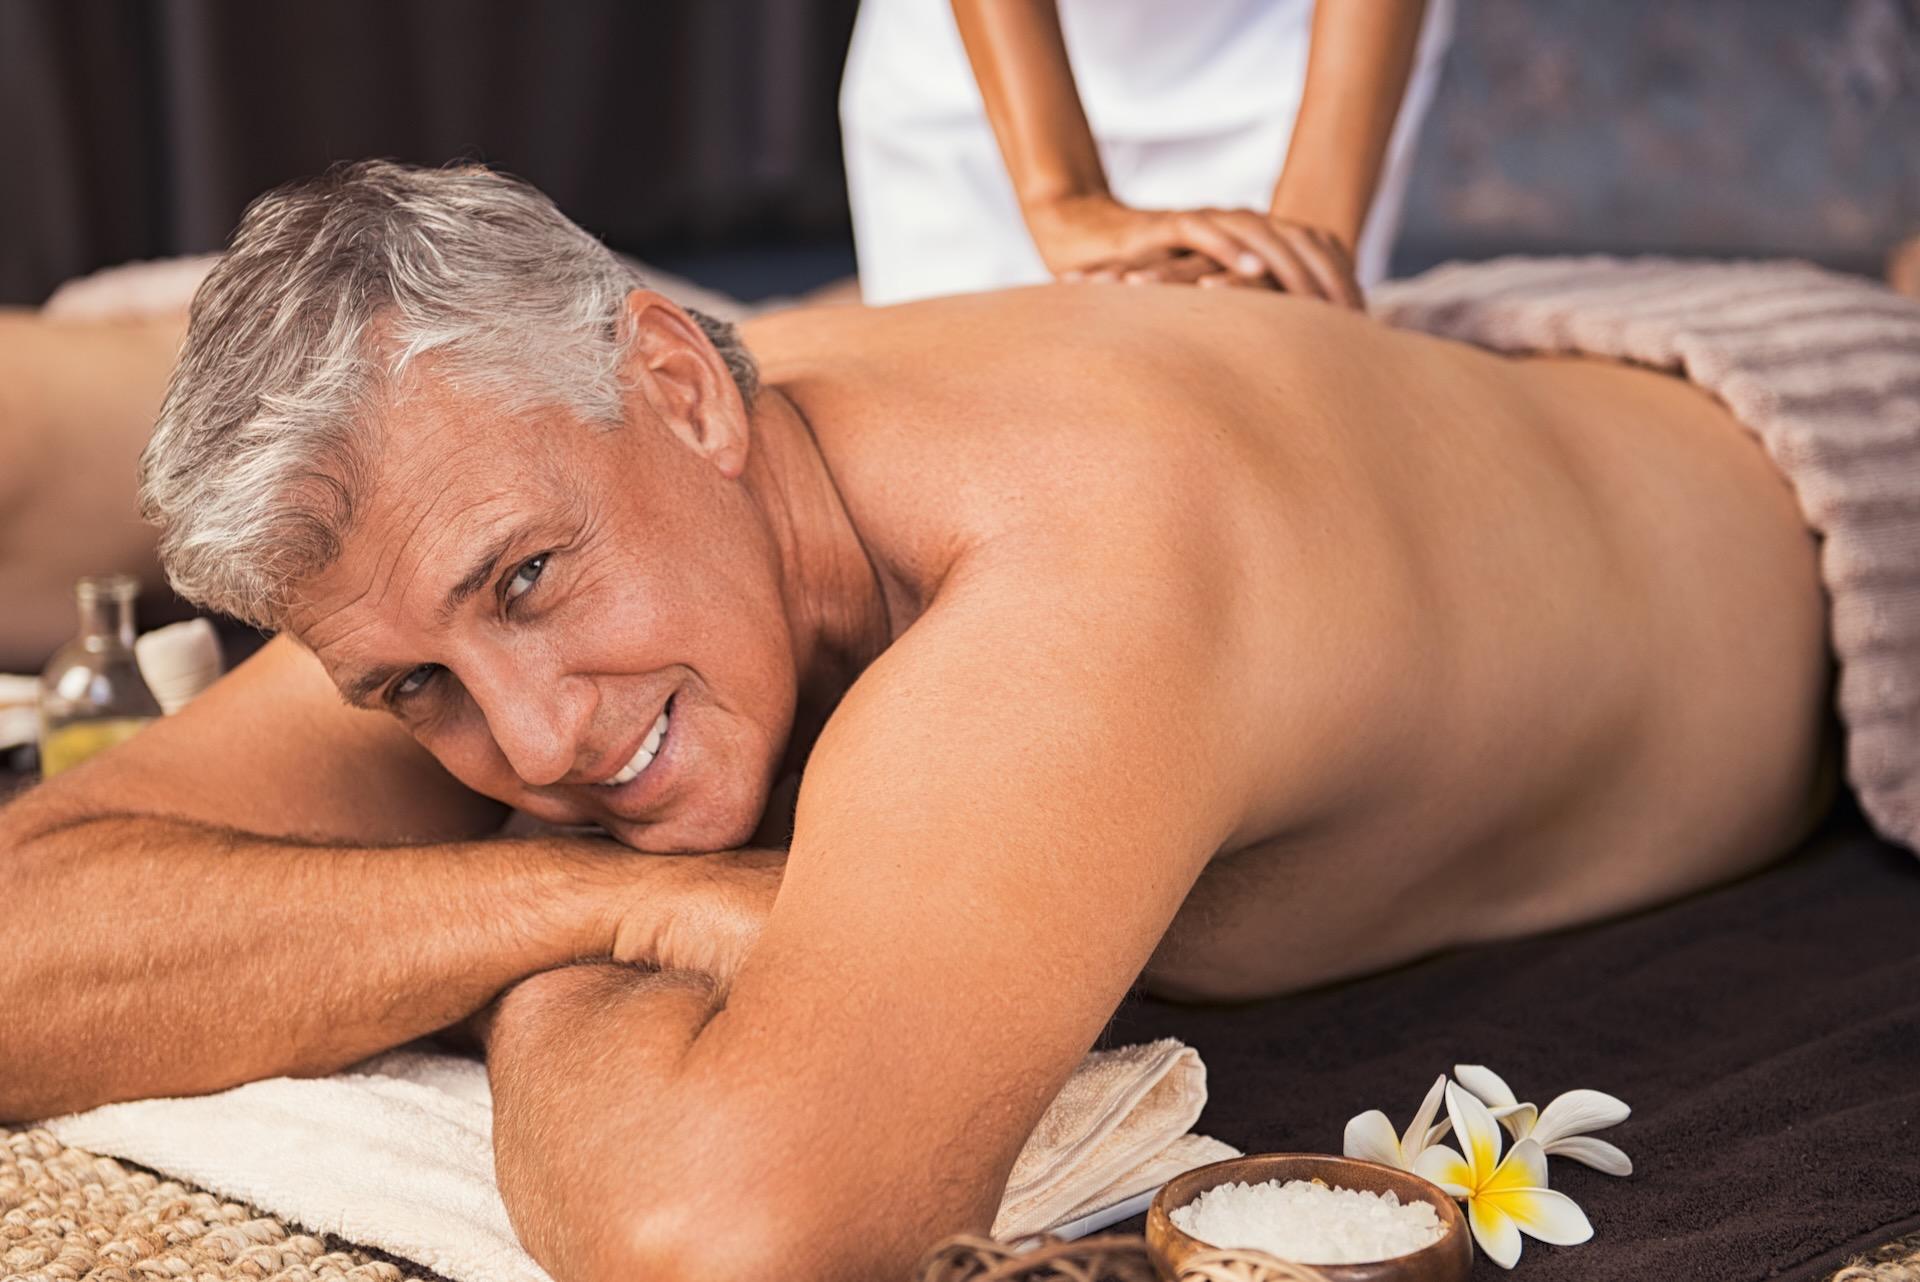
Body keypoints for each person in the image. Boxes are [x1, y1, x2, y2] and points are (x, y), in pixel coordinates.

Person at [0, 163, 1833, 1282]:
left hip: (1822, 478)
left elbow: (731, 1239)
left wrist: (465, 913)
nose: (535, 741)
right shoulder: (498, 526)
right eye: (414, 694)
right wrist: (581, 902)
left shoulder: (1066, 567)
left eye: (531, 581)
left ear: (672, 384)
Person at [841, 0, 1453, 306]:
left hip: (1288, 47)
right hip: (975, 61)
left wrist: (1308, 239)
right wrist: (1061, 197)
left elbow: (1305, 277)